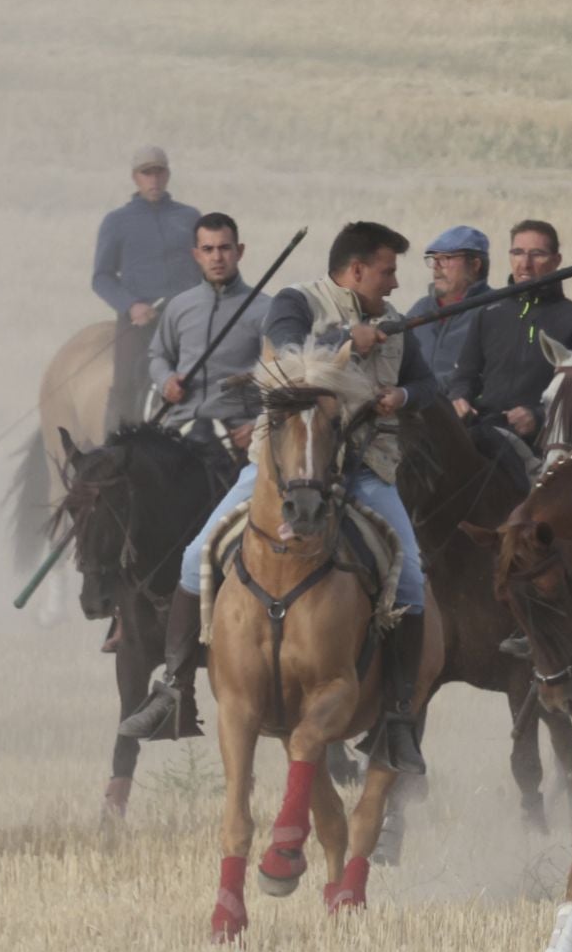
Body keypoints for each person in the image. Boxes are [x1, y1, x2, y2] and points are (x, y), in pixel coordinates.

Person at [119, 222, 441, 771]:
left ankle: (399, 716)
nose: (394, 281)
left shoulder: (395, 323)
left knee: (410, 573)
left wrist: (401, 393)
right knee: (197, 555)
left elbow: (431, 387)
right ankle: (174, 688)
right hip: (284, 466)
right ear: (357, 269)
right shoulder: (295, 302)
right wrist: (346, 342)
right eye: (388, 270)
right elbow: (288, 361)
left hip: (365, 468)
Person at [448, 220, 572, 470]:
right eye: (517, 252)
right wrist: (459, 398)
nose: (524, 263)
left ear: (556, 260)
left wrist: (539, 417)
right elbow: (464, 375)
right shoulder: (488, 312)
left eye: (536, 254)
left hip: (544, 450)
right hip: (483, 440)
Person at [93, 145, 202, 428]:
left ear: (167, 175)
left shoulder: (189, 217)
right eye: (146, 173)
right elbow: (101, 277)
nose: (153, 179)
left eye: (158, 172)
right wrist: (131, 305)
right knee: (126, 384)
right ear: (135, 178)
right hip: (141, 321)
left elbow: (205, 266)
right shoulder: (117, 222)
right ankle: (113, 447)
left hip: (185, 319)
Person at [147, 212, 267, 452]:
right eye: (208, 249)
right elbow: (158, 357)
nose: (217, 257)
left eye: (224, 248)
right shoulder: (179, 306)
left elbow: (284, 380)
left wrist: (259, 425)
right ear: (196, 255)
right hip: (180, 426)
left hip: (237, 435)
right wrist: (166, 381)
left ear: (239, 251)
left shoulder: (266, 309)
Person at [404, 225, 493, 381]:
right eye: (434, 259)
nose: (436, 267)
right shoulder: (419, 310)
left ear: (475, 265)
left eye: (445, 258)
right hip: (413, 402)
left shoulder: (494, 310)